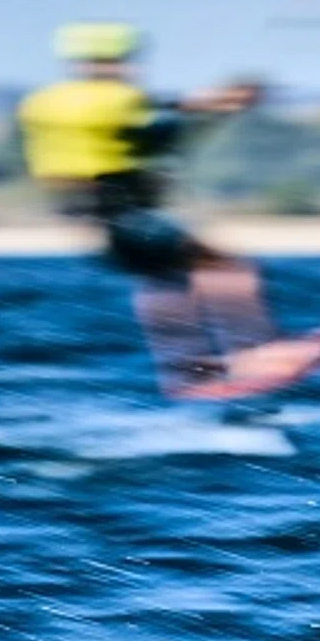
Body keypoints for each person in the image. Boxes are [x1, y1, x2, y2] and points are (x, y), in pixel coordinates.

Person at [18, 22, 274, 393]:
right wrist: (223, 104)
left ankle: (186, 369)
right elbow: (164, 119)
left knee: (166, 278)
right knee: (226, 268)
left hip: (86, 219)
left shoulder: (41, 102)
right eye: (125, 61)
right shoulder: (119, 99)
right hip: (123, 216)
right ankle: (252, 352)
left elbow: (142, 128)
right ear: (116, 60)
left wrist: (207, 111)